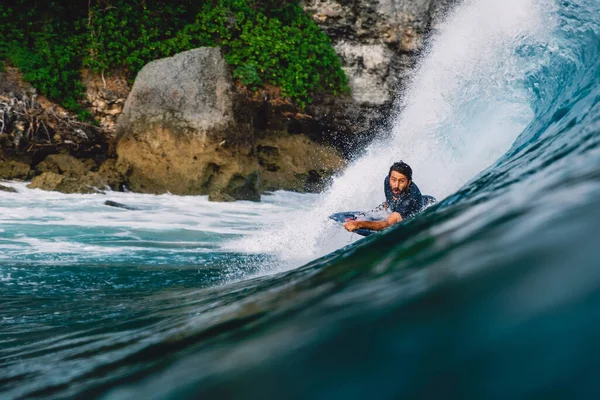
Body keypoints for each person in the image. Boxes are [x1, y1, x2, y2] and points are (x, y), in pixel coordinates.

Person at [344, 161, 423, 232]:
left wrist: (358, 224)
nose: (396, 185)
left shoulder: (410, 200)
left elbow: (387, 224)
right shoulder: (387, 181)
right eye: (393, 179)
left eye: (401, 181)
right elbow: (390, 200)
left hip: (426, 206)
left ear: (409, 182)